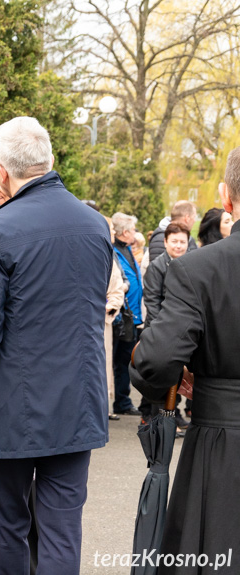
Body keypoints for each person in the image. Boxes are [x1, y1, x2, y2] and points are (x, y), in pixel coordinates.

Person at [0, 116, 112, 575]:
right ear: (50, 161)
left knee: (7, 529)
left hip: (8, 405)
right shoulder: (94, 225)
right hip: (75, 401)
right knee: (62, 531)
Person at [130, 146, 240, 572]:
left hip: (221, 445)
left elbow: (155, 361)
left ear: (224, 196)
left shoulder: (198, 269)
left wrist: (175, 377)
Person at [136, 223, 191, 433]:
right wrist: (166, 330)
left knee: (175, 375)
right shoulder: (157, 266)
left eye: (182, 242)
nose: (178, 246)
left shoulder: (189, 263)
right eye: (174, 241)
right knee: (157, 375)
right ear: (165, 242)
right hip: (160, 329)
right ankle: (152, 417)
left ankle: (171, 414)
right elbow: (152, 302)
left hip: (181, 328)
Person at [111, 212, 144, 416]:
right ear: (124, 232)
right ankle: (121, 402)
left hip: (133, 314)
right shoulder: (115, 251)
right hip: (121, 315)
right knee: (121, 360)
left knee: (126, 359)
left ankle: (123, 400)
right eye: (132, 230)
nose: (134, 233)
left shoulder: (128, 250)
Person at [102, 215, 126, 422]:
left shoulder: (108, 257)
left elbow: (117, 291)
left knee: (103, 365)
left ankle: (101, 407)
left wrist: (105, 307)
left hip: (100, 323)